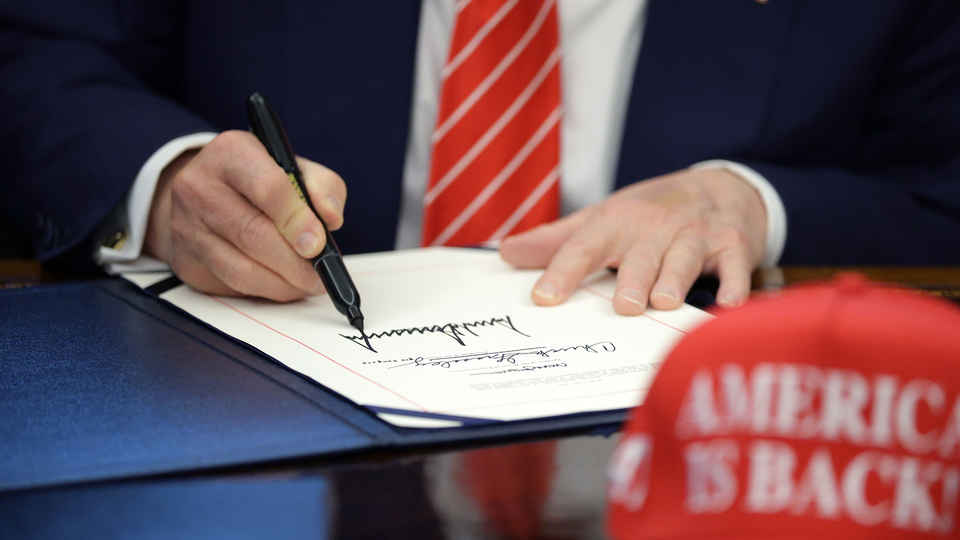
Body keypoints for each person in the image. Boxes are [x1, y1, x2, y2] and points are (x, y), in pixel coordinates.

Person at [1, 0, 959, 315]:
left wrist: (747, 203)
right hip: (251, 413)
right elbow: (44, 53)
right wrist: (165, 183)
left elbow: (939, 188)